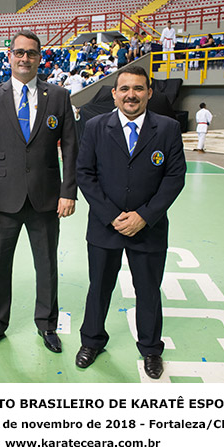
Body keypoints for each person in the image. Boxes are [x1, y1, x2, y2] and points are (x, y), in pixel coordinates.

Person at [0, 30, 78, 354]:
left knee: (46, 266)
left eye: (31, 53)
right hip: (2, 199)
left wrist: (68, 191)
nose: (25, 58)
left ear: (39, 57)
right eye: (19, 52)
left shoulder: (58, 96)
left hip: (46, 197)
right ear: (10, 57)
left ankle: (47, 325)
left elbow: (71, 147)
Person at [74, 66, 186, 379]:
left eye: (138, 88)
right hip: (104, 226)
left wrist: (144, 216)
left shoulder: (167, 128)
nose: (131, 95)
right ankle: (92, 341)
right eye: (124, 89)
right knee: (99, 288)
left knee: (148, 290)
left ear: (149, 93)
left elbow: (174, 177)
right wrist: (111, 215)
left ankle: (151, 349)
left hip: (148, 228)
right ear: (114, 94)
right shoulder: (95, 126)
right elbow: (85, 174)